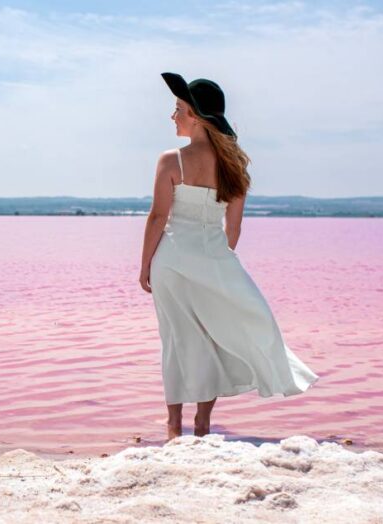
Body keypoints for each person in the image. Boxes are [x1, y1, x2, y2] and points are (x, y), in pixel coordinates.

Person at [139, 72, 319, 442]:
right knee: (212, 338)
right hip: (214, 259)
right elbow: (232, 230)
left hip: (170, 261)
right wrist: (215, 265)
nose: (172, 116)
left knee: (176, 339)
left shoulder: (170, 161)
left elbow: (158, 217)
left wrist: (144, 267)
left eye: (178, 109)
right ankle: (202, 425)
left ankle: (174, 427)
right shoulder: (234, 165)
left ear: (197, 117)